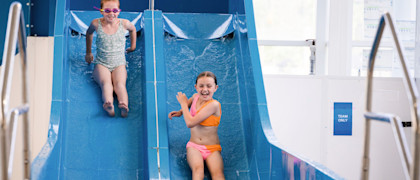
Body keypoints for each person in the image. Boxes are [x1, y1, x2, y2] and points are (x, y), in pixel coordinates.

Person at [168, 71, 225, 180]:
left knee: (217, 174)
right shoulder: (195, 97)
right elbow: (189, 104)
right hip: (194, 146)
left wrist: (183, 104)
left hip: (212, 148)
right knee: (198, 170)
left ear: (215, 88)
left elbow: (190, 123)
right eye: (201, 86)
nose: (205, 89)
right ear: (196, 87)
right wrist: (180, 111)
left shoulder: (214, 105)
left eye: (209, 86)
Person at [85, 0, 136, 117]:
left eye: (115, 10)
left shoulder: (124, 24)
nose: (111, 14)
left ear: (119, 11)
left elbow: (133, 30)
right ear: (101, 11)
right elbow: (88, 33)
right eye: (107, 10)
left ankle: (124, 105)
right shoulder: (96, 24)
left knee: (120, 84)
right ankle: (109, 105)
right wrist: (88, 52)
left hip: (119, 63)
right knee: (106, 83)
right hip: (102, 63)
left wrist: (133, 47)